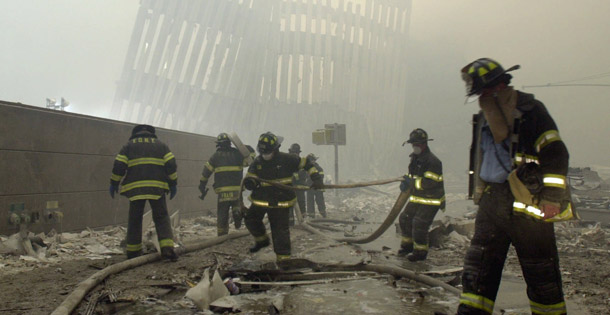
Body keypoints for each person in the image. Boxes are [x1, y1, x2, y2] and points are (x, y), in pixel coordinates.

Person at [458, 58, 574, 314]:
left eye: (485, 92)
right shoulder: (484, 118)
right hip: (492, 204)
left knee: (541, 276)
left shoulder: (532, 111)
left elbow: (556, 154)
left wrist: (552, 199)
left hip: (528, 206)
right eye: (480, 94)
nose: (483, 98)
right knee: (477, 273)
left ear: (498, 86)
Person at [243, 132, 323, 262]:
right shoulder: (258, 161)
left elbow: (306, 163)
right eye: (263, 153)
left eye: (268, 152)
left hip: (281, 200)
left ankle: (283, 259)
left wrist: (316, 178)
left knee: (280, 230)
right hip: (262, 199)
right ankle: (262, 240)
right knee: (250, 219)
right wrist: (251, 182)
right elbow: (251, 176)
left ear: (275, 149)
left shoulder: (288, 159)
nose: (265, 156)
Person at [110, 124, 178, 261]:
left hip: (136, 189)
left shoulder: (128, 146)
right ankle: (167, 251)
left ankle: (133, 253)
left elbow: (119, 166)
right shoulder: (161, 146)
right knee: (162, 217)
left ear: (135, 133)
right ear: (151, 133)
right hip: (157, 188)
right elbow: (171, 165)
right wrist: (173, 183)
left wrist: (114, 183)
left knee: (135, 219)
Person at [397, 128, 445, 262]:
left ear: (424, 144)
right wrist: (406, 182)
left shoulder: (433, 161)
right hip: (418, 197)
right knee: (405, 218)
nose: (415, 147)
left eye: (417, 144)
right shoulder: (415, 158)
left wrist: (412, 183)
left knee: (419, 224)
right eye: (413, 144)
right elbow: (414, 176)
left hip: (431, 199)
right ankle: (407, 247)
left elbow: (430, 182)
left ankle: (420, 253)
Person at [199, 133, 250, 236]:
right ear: (229, 143)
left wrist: (202, 184)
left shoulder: (215, 156)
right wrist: (244, 149)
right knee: (237, 204)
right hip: (237, 188)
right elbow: (248, 162)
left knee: (222, 212)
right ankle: (237, 213)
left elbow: (206, 172)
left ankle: (222, 234)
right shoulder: (238, 154)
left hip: (223, 191)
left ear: (218, 144)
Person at [288, 143, 308, 225]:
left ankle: (302, 220)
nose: (296, 154)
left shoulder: (301, 162)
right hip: (290, 187)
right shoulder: (287, 161)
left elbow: (304, 173)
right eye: (294, 152)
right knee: (290, 203)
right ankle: (290, 221)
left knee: (301, 202)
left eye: (297, 153)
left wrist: (296, 176)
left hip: (299, 187)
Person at [305, 154, 327, 218]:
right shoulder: (308, 168)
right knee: (311, 200)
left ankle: (322, 213)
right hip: (312, 187)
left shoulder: (318, 168)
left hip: (316, 187)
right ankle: (312, 214)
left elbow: (321, 177)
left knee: (319, 200)